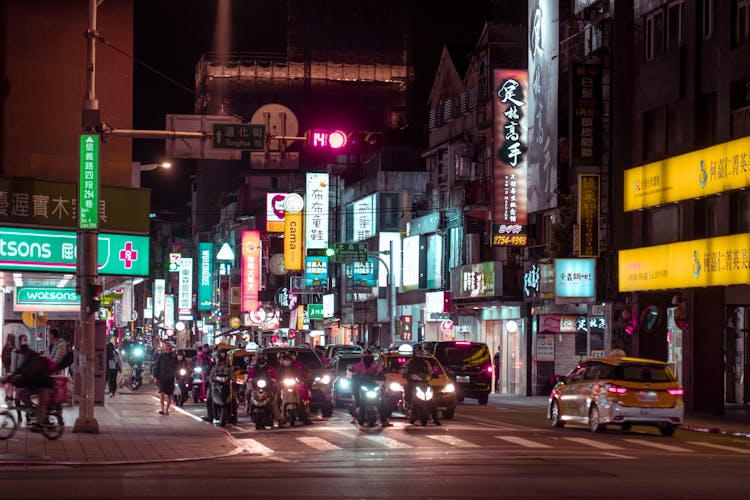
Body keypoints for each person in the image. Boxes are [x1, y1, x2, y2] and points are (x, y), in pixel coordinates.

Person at [8, 341, 53, 430]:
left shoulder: (35, 359)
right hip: (35, 384)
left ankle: (39, 424)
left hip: (44, 384)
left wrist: (18, 380)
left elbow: (29, 375)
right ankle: (34, 411)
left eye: (22, 353)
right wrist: (11, 377)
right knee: (22, 395)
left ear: (25, 352)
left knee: (42, 403)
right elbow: (21, 370)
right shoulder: (28, 358)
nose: (21, 355)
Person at [351, 349, 391, 427]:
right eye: (366, 357)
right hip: (362, 385)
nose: (368, 359)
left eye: (370, 357)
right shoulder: (358, 366)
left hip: (373, 385)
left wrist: (382, 376)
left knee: (381, 402)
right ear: (363, 358)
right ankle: (358, 411)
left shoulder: (375, 366)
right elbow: (354, 375)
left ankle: (384, 420)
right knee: (357, 393)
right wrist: (357, 378)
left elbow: (381, 373)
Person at [246, 352, 284, 427]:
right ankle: (248, 406)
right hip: (256, 388)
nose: (261, 360)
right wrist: (250, 380)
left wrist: (274, 380)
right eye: (260, 358)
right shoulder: (254, 368)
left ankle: (279, 419)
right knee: (247, 392)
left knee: (273, 401)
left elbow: (274, 377)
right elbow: (249, 377)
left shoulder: (269, 368)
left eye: (262, 358)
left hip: (267, 389)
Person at [402, 353, 441, 426]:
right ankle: (409, 408)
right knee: (408, 390)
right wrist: (406, 374)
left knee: (432, 400)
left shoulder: (426, 362)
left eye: (420, 351)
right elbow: (404, 369)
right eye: (417, 351)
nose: (419, 353)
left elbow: (431, 371)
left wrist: (433, 375)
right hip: (413, 383)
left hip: (424, 383)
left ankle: (435, 418)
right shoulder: (410, 361)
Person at [276, 351, 313, 425]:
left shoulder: (294, 368)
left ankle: (304, 419)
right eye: (286, 359)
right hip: (283, 387)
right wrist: (278, 381)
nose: (287, 361)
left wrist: (301, 381)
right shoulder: (280, 368)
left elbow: (298, 375)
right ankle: (277, 418)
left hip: (293, 386)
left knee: (300, 400)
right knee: (277, 400)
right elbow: (277, 376)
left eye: (289, 359)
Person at [153, 343, 178, 415]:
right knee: (162, 393)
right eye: (167, 349)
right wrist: (155, 377)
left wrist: (177, 376)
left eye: (169, 349)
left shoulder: (174, 357)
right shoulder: (161, 356)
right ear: (164, 349)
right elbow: (156, 366)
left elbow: (177, 367)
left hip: (170, 378)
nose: (168, 350)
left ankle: (167, 410)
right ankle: (162, 409)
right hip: (162, 377)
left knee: (169, 395)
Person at [2, 333, 16, 401]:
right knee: (12, 383)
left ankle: (7, 396)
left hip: (7, 368)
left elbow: (3, 358)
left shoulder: (5, 347)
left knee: (7, 382)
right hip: (13, 368)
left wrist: (5, 366)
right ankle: (11, 396)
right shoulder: (15, 347)